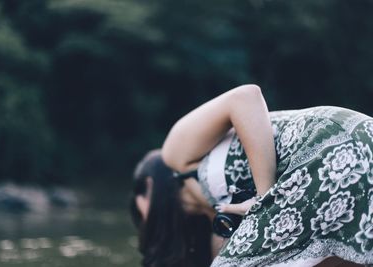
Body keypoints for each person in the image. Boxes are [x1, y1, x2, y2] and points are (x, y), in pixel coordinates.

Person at [131, 84, 373, 267]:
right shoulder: (215, 211)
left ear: (150, 185)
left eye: (136, 204)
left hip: (329, 147)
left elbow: (245, 96)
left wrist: (263, 196)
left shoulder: (173, 152)